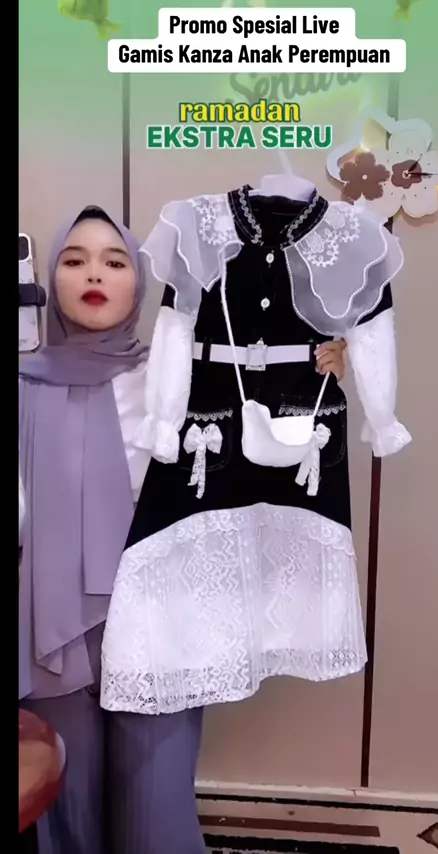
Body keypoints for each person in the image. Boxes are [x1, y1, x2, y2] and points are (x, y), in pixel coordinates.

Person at [18, 203, 348, 853]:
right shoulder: (24, 385)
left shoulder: (183, 379)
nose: (94, 274)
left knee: (154, 806)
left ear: (141, 282)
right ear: (50, 279)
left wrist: (319, 366)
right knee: (63, 801)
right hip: (53, 626)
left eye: (115, 262)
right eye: (75, 261)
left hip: (160, 614)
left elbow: (261, 428)